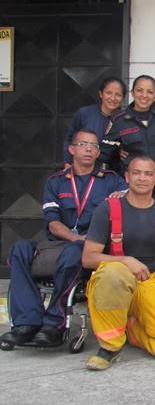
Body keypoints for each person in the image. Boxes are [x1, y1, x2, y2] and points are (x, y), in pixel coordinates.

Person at [0, 129, 127, 347]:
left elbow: (127, 208)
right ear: (71, 149)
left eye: (94, 146)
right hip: (60, 243)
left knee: (74, 253)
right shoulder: (56, 182)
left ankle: (54, 324)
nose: (88, 149)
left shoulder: (111, 181)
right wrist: (75, 238)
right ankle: (26, 323)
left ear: (98, 153)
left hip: (92, 247)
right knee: (20, 249)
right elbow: (52, 222)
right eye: (83, 144)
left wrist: (123, 195)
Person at [82, 156, 155, 370]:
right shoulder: (107, 210)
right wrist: (125, 260)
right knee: (113, 273)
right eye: (136, 173)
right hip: (119, 280)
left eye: (148, 174)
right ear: (127, 177)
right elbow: (88, 258)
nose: (142, 178)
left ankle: (132, 327)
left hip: (152, 281)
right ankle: (110, 347)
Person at [106, 75, 155, 199]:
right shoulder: (120, 120)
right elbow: (105, 153)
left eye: (150, 92)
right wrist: (118, 151)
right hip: (132, 189)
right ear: (132, 93)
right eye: (139, 90)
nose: (144, 95)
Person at [63, 77, 126, 168]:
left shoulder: (125, 119)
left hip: (114, 171)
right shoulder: (84, 114)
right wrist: (68, 162)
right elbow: (69, 139)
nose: (113, 98)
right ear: (101, 94)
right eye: (109, 93)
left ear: (123, 98)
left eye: (118, 95)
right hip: (85, 168)